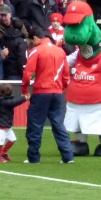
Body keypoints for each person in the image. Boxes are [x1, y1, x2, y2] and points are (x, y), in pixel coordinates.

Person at [21, 27, 74, 164]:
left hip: (41, 92)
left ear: (35, 39)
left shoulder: (36, 51)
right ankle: (68, 156)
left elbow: (28, 73)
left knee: (35, 124)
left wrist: (24, 89)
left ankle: (34, 157)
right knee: (58, 124)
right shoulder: (60, 51)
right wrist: (61, 88)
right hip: (56, 92)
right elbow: (66, 74)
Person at [0, 83, 26, 163]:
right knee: (0, 142)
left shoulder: (2, 100)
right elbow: (13, 102)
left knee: (12, 139)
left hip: (6, 125)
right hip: (0, 126)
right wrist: (24, 98)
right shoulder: (2, 101)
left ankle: (4, 153)